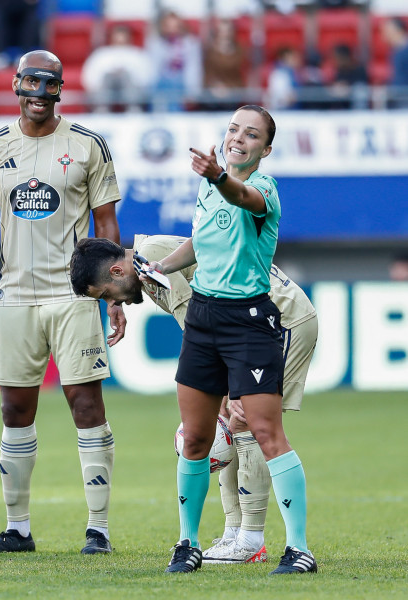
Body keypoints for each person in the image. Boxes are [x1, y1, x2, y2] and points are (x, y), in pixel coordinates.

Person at [132, 105, 316, 574]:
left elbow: (244, 199)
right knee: (195, 437)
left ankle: (298, 548)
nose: (239, 138)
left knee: (264, 432)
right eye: (234, 129)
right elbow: (199, 240)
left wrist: (217, 175)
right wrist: (158, 269)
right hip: (203, 319)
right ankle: (187, 542)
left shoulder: (263, 189)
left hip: (249, 320)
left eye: (251, 134)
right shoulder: (208, 185)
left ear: (266, 149)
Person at [0, 50, 126, 555]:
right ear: (15, 86)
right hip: (15, 297)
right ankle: (18, 529)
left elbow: (107, 226)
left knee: (85, 404)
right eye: (31, 83)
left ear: (60, 90)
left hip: (74, 295)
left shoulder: (88, 145)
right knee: (14, 409)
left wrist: (115, 294)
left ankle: (98, 529)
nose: (39, 93)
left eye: (49, 84)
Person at [69, 233, 318, 565]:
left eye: (106, 295)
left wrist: (229, 383)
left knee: (250, 421)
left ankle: (251, 538)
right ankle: (235, 533)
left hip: (280, 317)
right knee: (235, 421)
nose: (112, 301)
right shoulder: (144, 261)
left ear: (116, 271)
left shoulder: (153, 256)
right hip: (246, 326)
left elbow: (195, 325)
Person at [81, 24, 154, 111]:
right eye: (117, 35)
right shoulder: (100, 54)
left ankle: (133, 112)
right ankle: (101, 112)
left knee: (125, 76)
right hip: (104, 91)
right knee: (108, 77)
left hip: (132, 92)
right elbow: (88, 77)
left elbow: (147, 78)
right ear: (111, 36)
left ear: (129, 37)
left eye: (123, 35)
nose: (120, 38)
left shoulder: (138, 54)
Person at [146, 11, 202, 111]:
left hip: (182, 85)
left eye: (175, 26)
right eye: (168, 26)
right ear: (163, 27)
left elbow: (193, 69)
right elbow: (153, 70)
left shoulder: (191, 44)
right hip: (161, 86)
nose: (172, 30)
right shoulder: (157, 44)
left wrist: (192, 93)